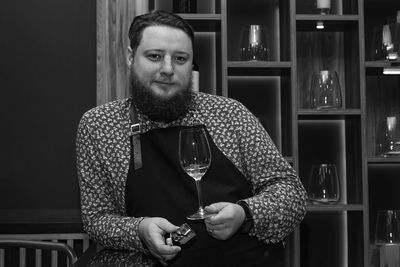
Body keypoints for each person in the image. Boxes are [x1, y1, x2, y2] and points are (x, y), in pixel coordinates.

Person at [76, 10, 306, 266]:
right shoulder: (99, 125)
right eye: (154, 56)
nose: (167, 69)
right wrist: (139, 230)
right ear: (131, 57)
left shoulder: (230, 114)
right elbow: (97, 219)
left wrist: (244, 214)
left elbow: (291, 193)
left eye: (180, 58)